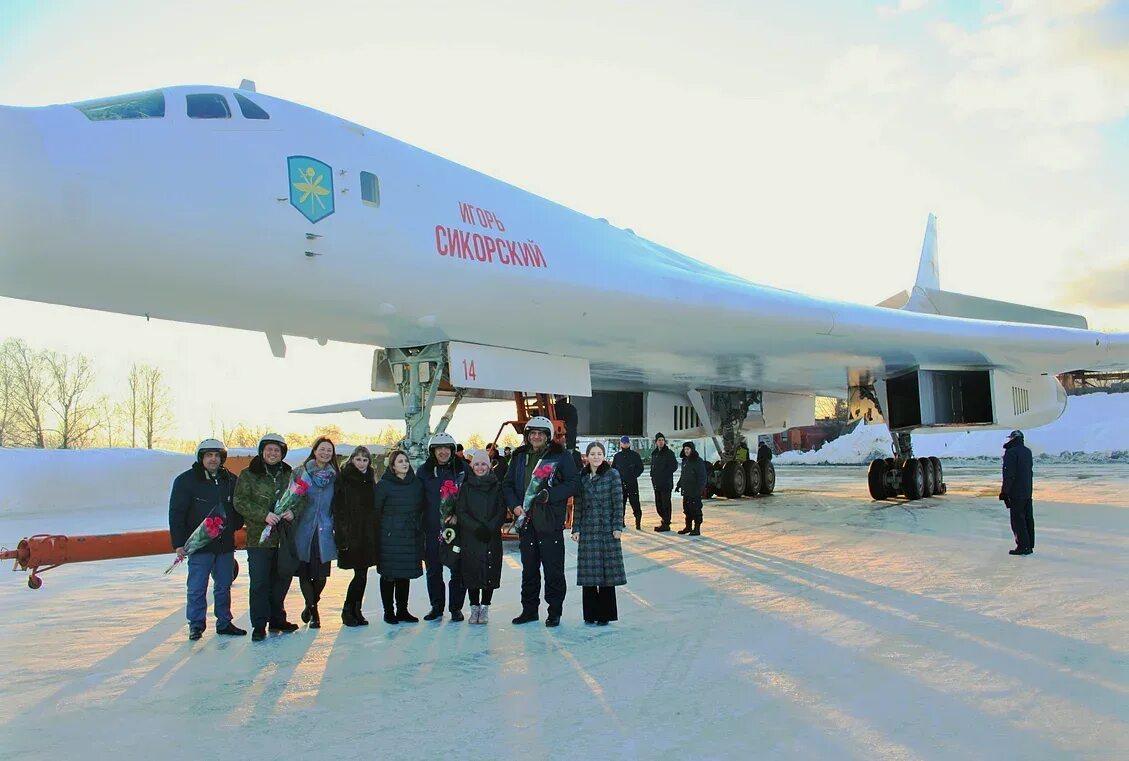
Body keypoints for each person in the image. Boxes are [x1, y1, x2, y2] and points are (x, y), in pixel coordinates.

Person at [503, 415, 579, 627]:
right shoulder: (518, 456)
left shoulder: (560, 456)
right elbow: (507, 485)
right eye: (532, 433)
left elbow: (573, 483)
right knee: (529, 569)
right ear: (527, 436)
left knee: (553, 570)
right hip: (526, 521)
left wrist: (551, 495)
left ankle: (554, 611)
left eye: (540, 434)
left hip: (550, 522)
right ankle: (529, 610)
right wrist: (514, 506)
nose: (536, 437)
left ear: (548, 436)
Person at [169, 438, 246, 640]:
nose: (213, 459)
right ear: (201, 457)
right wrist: (178, 543)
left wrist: (235, 524)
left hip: (224, 545)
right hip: (199, 545)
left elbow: (238, 505)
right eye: (209, 455)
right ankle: (196, 624)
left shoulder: (230, 479)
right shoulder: (186, 481)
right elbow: (176, 513)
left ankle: (224, 622)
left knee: (223, 585)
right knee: (197, 587)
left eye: (217, 455)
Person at [234, 433, 299, 641]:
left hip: (282, 537)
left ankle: (277, 619)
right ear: (262, 451)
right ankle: (259, 624)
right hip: (259, 538)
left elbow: (300, 497)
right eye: (269, 449)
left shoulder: (288, 474)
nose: (272, 453)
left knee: (281, 579)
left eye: (277, 450)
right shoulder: (249, 474)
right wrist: (263, 515)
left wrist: (293, 512)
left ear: (282, 453)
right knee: (260, 582)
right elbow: (240, 501)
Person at [572, 442, 628, 625]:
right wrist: (576, 528)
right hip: (588, 531)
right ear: (586, 456)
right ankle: (590, 614)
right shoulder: (582, 477)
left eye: (599, 453)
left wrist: (617, 526)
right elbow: (578, 506)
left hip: (606, 530)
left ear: (604, 456)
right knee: (589, 575)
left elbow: (618, 502)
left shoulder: (612, 474)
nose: (596, 457)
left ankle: (605, 614)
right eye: (592, 453)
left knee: (606, 574)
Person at [416, 432, 468, 621]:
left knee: (458, 569)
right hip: (432, 528)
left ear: (453, 450)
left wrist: (459, 516)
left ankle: (456, 607)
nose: (443, 452)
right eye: (439, 448)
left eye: (447, 448)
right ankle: (436, 606)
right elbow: (418, 499)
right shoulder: (424, 472)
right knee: (433, 569)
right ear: (433, 451)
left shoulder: (462, 469)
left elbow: (470, 497)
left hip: (456, 529)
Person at [375, 449, 426, 624]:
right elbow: (377, 510)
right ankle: (388, 611)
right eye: (400, 461)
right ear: (392, 466)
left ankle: (403, 610)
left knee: (404, 574)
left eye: (405, 461)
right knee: (389, 575)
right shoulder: (384, 485)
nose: (404, 464)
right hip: (390, 535)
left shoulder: (416, 484)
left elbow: (421, 507)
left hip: (410, 534)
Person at [293, 437, 339, 628]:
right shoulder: (301, 473)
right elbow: (292, 498)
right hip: (304, 529)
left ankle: (310, 605)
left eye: (329, 450)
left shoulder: (335, 477)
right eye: (322, 449)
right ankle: (314, 613)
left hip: (325, 530)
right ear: (315, 451)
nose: (325, 453)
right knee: (305, 572)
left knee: (320, 575)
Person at [455, 450, 506, 624]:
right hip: (472, 536)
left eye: (483, 464)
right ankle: (474, 606)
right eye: (476, 464)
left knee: (489, 571)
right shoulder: (466, 487)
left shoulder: (497, 486)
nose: (480, 467)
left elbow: (501, 510)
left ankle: (485, 607)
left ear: (489, 466)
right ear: (472, 466)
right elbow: (461, 511)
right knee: (472, 571)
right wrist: (475, 527)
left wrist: (491, 527)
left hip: (490, 536)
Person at [334, 445, 378, 626]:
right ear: (352, 459)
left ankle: (356, 610)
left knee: (363, 574)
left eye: (365, 460)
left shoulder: (369, 479)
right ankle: (348, 609)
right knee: (359, 575)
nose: (361, 463)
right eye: (358, 459)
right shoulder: (344, 479)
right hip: (352, 533)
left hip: (367, 533)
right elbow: (339, 509)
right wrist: (343, 535)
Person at [1000, 430, 1035, 555]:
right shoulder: (1027, 451)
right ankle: (1029, 544)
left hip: (1016, 492)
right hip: (1027, 491)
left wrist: (1005, 492)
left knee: (1017, 520)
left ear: (1013, 439)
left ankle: (1023, 546)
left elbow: (1009, 474)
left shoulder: (1011, 452)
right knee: (1027, 518)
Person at [612, 436, 645, 530]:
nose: (625, 444)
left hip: (632, 484)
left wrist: (633, 476)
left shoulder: (635, 455)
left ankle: (638, 522)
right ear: (621, 444)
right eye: (623, 443)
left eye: (626, 443)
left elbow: (640, 468)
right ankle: (621, 522)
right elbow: (613, 469)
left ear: (629, 444)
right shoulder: (617, 456)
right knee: (620, 504)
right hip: (620, 484)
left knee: (635, 503)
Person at [675, 441, 707, 536]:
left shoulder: (698, 461)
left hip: (695, 490)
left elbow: (702, 477)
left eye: (688, 449)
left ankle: (697, 528)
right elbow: (684, 475)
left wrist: (699, 489)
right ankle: (688, 527)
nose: (686, 451)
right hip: (686, 490)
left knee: (696, 509)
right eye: (685, 449)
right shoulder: (685, 461)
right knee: (687, 509)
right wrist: (679, 485)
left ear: (692, 450)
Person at [650, 433, 678, 532]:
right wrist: (652, 476)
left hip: (666, 483)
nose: (661, 442)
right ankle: (663, 519)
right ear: (656, 442)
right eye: (659, 440)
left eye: (662, 440)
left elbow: (674, 466)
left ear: (664, 441)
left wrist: (665, 473)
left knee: (665, 504)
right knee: (659, 505)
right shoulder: (654, 453)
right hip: (657, 483)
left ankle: (666, 523)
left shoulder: (669, 453)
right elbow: (653, 467)